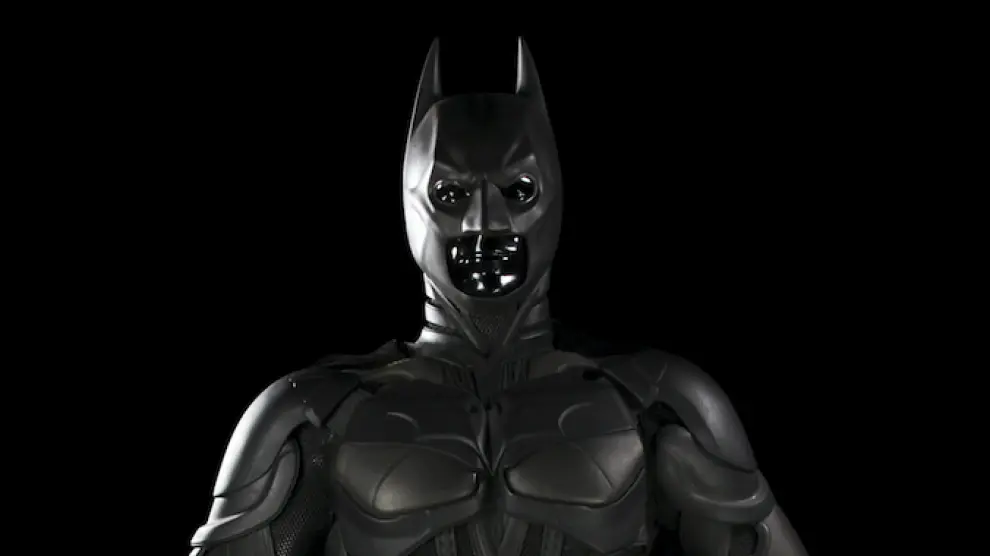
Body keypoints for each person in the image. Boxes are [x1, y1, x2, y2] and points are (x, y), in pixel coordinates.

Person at [189, 38, 808, 556]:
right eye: (452, 195)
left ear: (554, 194)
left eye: (517, 190)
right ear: (412, 201)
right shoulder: (308, 417)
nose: (485, 223)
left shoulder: (660, 402)